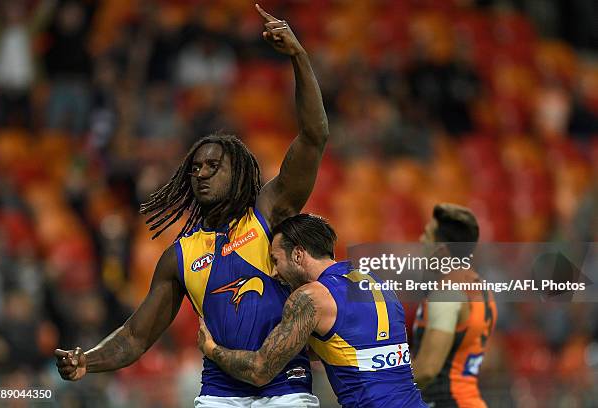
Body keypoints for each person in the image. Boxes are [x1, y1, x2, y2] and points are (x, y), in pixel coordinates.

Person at [54, 5, 328, 407]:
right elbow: (135, 335)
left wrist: (298, 57)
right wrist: (87, 361)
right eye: (195, 168)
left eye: (213, 166)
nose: (201, 174)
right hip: (219, 395)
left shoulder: (269, 211)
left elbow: (314, 135)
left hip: (286, 390)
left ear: (238, 174)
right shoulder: (180, 255)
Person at [198, 214, 428, 408]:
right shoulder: (375, 281)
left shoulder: (311, 298)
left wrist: (212, 349)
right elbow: (350, 343)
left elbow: (260, 370)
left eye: (275, 261)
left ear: (298, 255)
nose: (274, 273)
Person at [413, 203, 498, 408]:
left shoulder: (447, 293)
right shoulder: (481, 288)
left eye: (427, 236)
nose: (420, 241)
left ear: (441, 250)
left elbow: (427, 369)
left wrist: (380, 388)